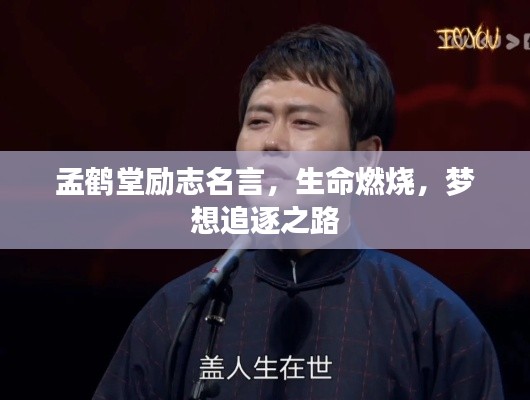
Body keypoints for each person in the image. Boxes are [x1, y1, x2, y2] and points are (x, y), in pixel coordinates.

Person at [93, 24, 504, 399]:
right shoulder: (178, 314)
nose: (272, 142)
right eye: (257, 121)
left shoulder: (433, 324)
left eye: (302, 122)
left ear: (365, 157)